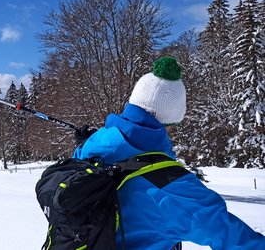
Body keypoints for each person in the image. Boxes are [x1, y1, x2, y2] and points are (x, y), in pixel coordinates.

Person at [72, 57, 265, 250]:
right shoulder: (173, 187)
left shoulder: (92, 147)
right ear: (168, 121)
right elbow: (234, 238)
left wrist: (85, 142)